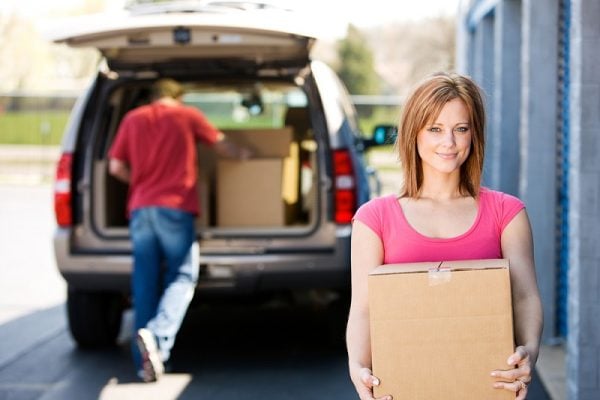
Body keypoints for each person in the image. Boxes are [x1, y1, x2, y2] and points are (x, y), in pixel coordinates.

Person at [346, 72, 543, 400]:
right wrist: (358, 367)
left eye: (460, 129)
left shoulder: (506, 212)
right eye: (435, 129)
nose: (448, 143)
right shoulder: (373, 219)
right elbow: (364, 309)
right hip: (403, 390)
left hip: (487, 387)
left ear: (474, 134)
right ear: (414, 133)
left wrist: (529, 354)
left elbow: (525, 297)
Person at [108, 78, 250, 382]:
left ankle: (142, 362)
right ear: (178, 96)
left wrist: (141, 183)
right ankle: (157, 339)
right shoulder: (187, 115)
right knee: (183, 275)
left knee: (144, 282)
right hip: (175, 208)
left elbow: (115, 167)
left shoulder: (133, 118)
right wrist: (247, 156)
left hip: (140, 209)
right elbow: (221, 143)